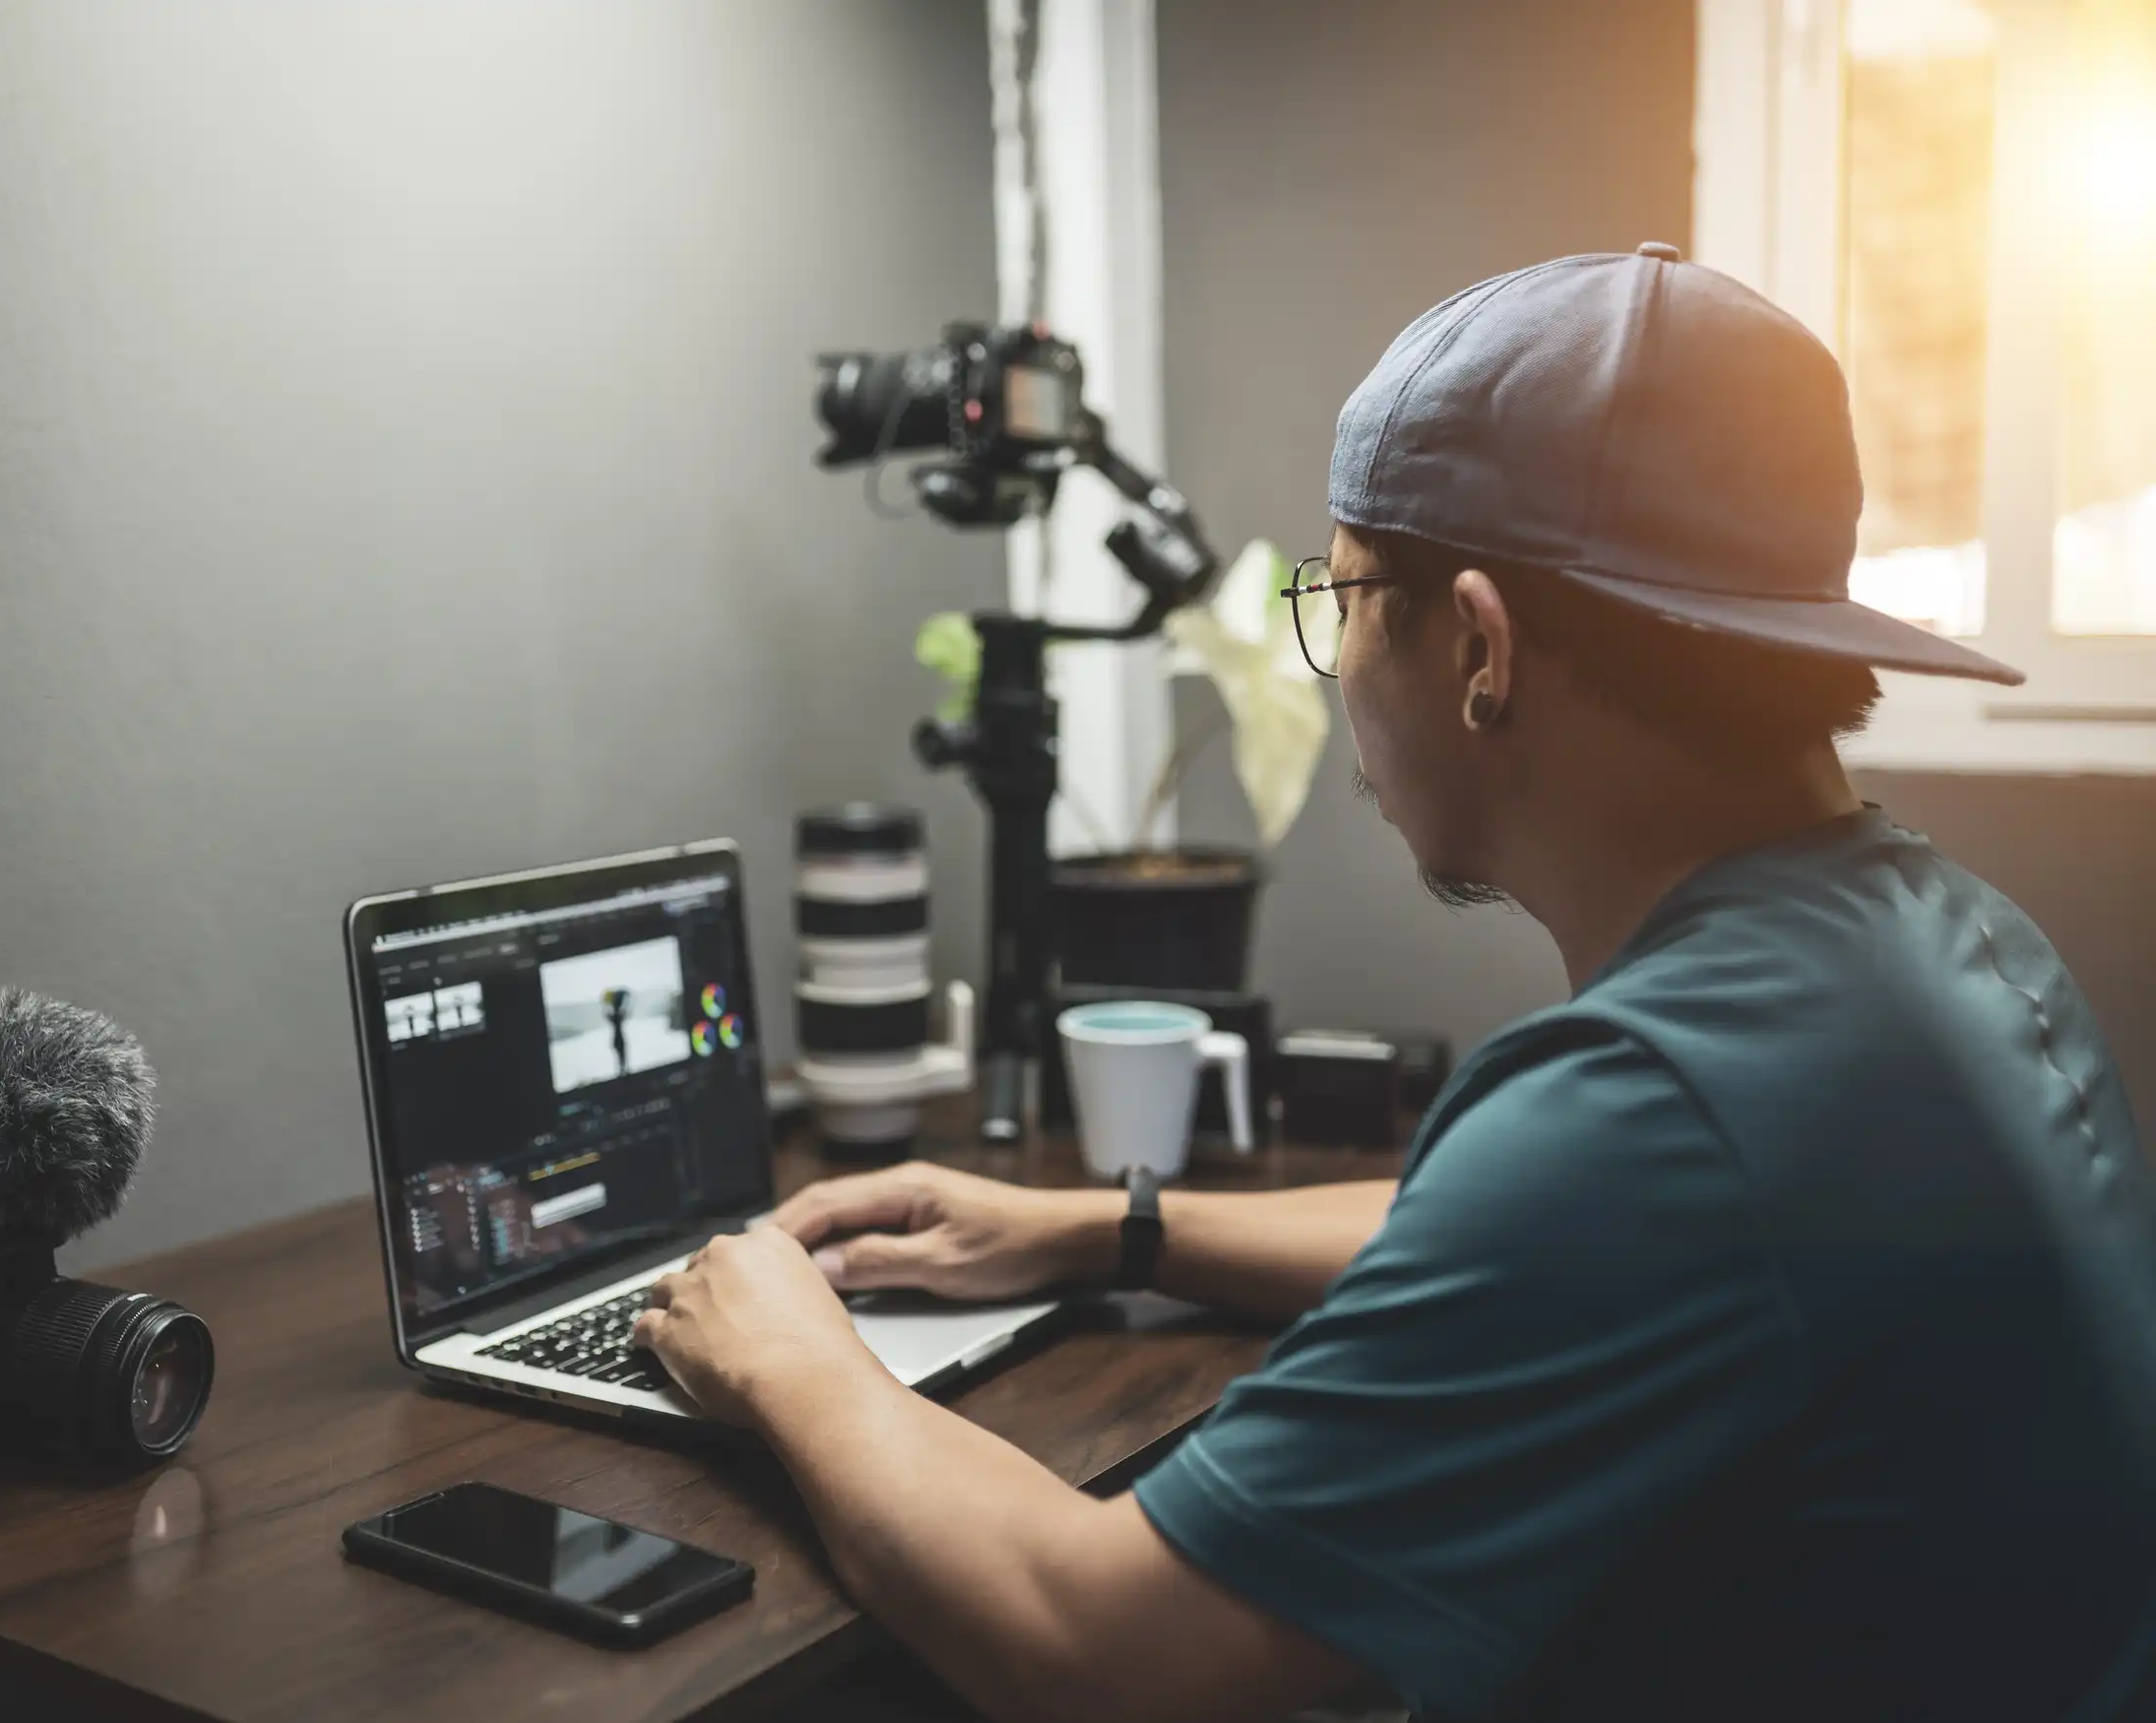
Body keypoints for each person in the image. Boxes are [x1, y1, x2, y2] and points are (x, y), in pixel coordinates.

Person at [633, 247, 2156, 1723]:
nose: (1336, 653)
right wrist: (1106, 1227)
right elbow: (1523, 1239)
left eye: (1346, 594)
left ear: (1480, 643)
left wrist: (792, 1359)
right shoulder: (1942, 942)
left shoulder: (1663, 1107)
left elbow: (1088, 1644)